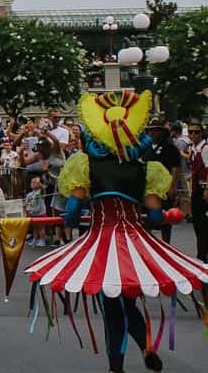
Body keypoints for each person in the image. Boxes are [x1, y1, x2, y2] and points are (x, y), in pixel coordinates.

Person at [26, 90, 208, 373]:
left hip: (101, 241)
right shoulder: (144, 167)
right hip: (134, 243)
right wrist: (166, 216)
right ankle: (146, 346)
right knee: (127, 302)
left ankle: (117, 367)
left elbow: (72, 212)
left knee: (112, 306)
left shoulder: (87, 165)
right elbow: (156, 216)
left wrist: (72, 218)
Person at [147, 120, 181, 243]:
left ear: (162, 132)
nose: (153, 133)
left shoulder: (170, 147)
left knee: (165, 220)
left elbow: (175, 168)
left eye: (156, 130)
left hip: (165, 187)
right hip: (148, 189)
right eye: (151, 130)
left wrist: (172, 186)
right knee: (146, 218)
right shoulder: (144, 147)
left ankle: (166, 245)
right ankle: (148, 245)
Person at [191, 122, 208, 262]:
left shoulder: (205, 148)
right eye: (191, 132)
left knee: (202, 224)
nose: (193, 135)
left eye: (196, 132)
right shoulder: (195, 149)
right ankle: (202, 253)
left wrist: (207, 188)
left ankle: (202, 255)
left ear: (202, 133)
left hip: (203, 190)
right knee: (197, 222)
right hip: (196, 189)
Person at [24, 176, 47, 246]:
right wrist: (27, 213)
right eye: (32, 182)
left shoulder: (40, 192)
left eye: (35, 182)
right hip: (32, 214)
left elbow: (43, 189)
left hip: (40, 213)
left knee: (41, 227)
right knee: (34, 228)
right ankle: (35, 239)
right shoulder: (29, 194)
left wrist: (40, 184)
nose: (33, 184)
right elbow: (27, 205)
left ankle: (42, 240)